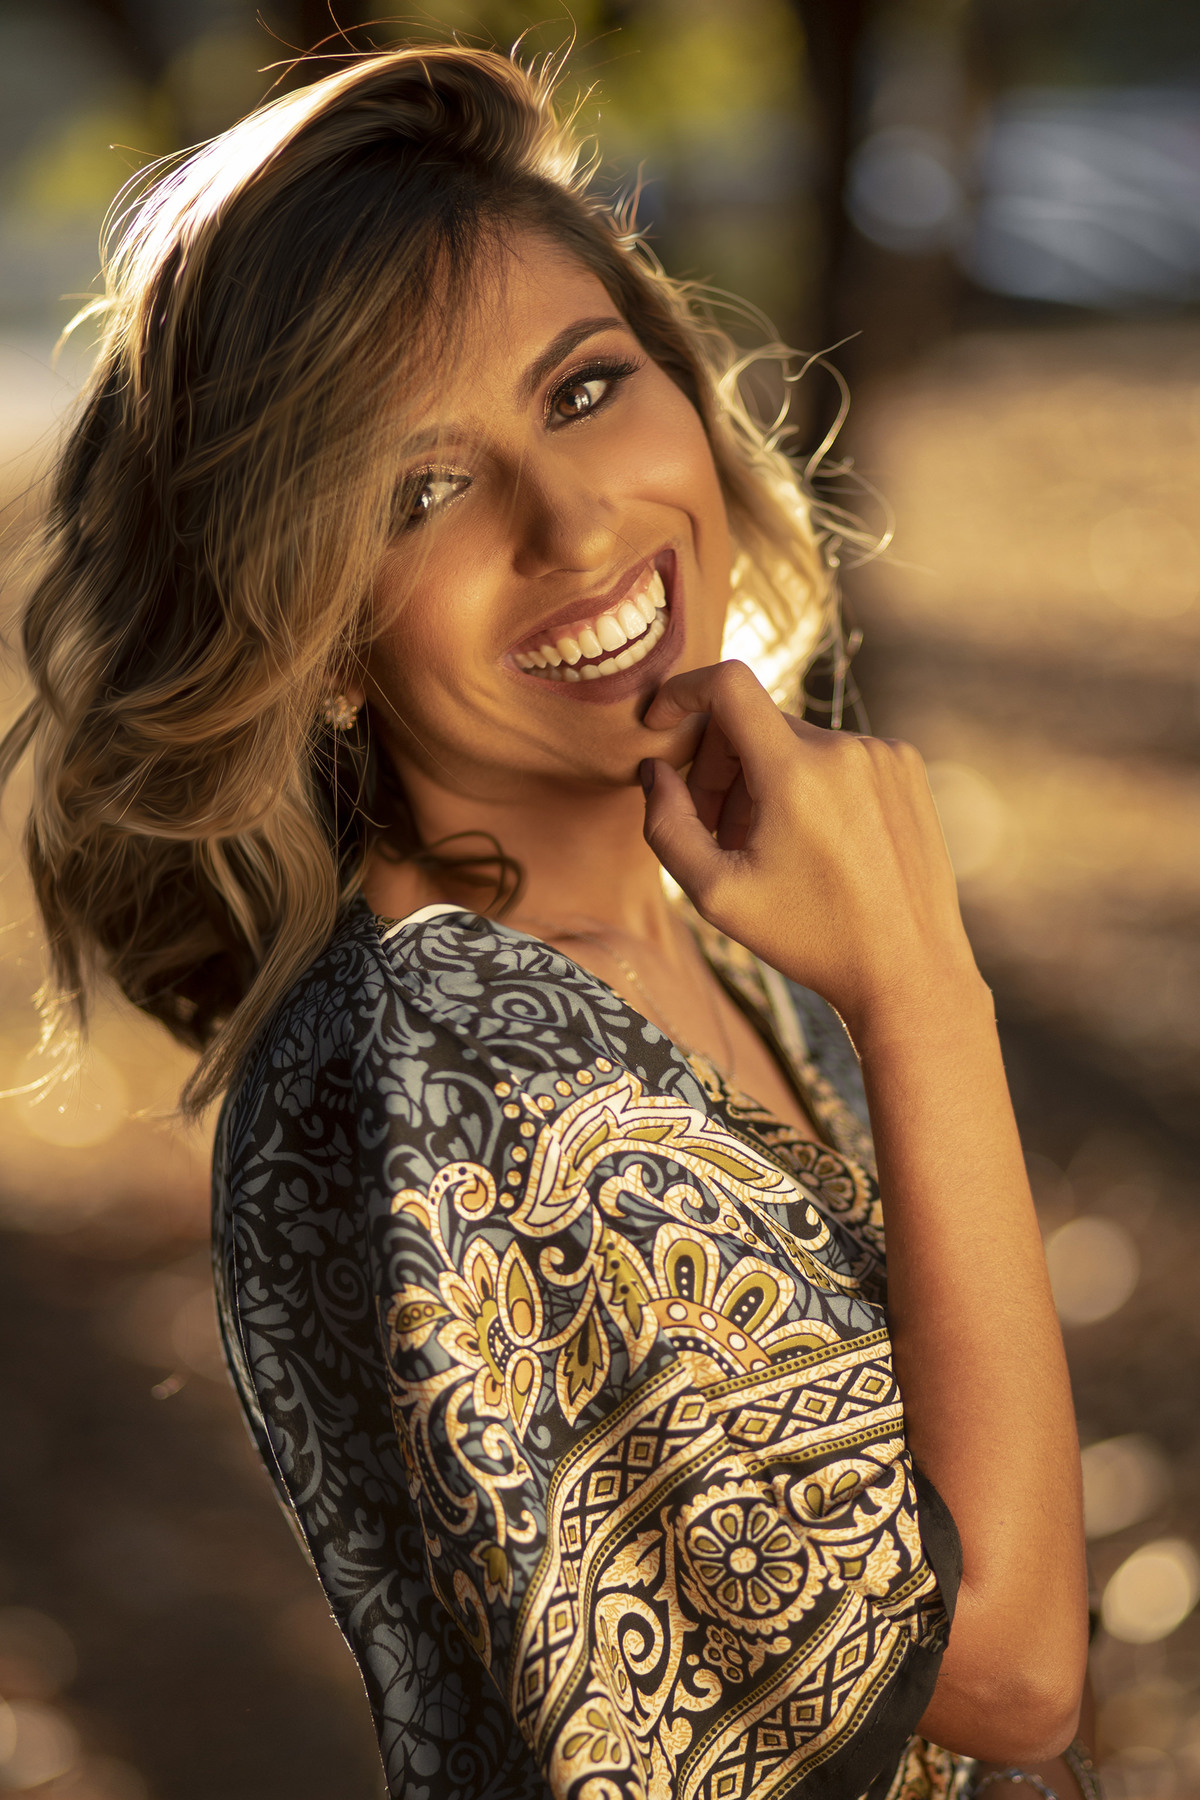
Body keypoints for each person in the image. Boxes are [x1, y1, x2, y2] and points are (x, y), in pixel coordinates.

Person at [2, 44, 1096, 1800]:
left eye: (586, 391)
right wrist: (928, 991)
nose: (575, 518)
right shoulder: (443, 1065)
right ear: (319, 638)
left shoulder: (706, 931)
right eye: (420, 493)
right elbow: (1010, 1673)